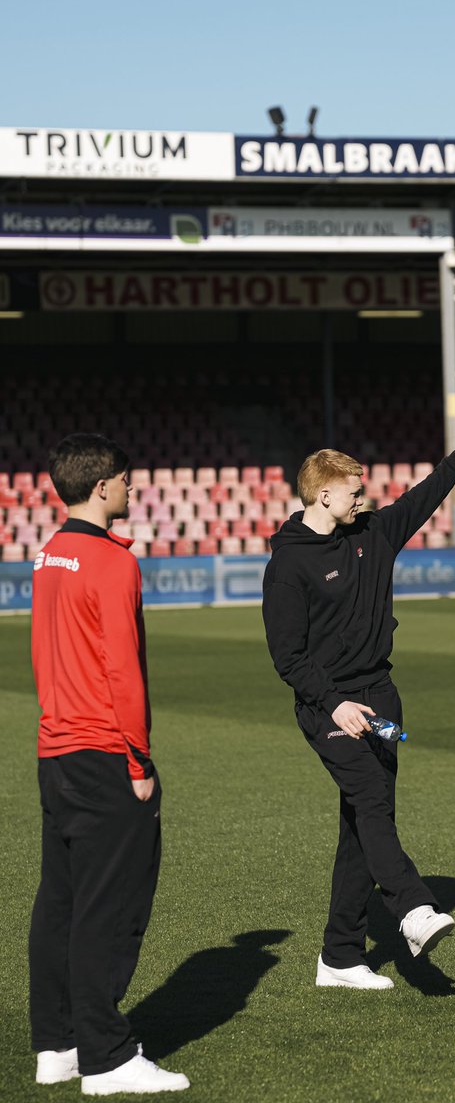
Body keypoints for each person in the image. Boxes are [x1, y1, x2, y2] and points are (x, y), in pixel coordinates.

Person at [262, 402, 455, 989]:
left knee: (363, 820)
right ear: (322, 496)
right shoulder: (288, 564)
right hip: (329, 706)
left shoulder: (374, 532)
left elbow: (421, 498)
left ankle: (339, 956)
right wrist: (333, 702)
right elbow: (287, 656)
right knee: (369, 798)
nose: (363, 497)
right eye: (353, 490)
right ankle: (411, 907)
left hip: (383, 700)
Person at [29, 434, 189, 1095]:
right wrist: (139, 756)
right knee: (109, 906)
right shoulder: (112, 562)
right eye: (125, 480)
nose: (132, 488)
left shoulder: (48, 555)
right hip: (104, 752)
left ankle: (58, 1045)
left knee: (61, 901)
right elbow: (124, 670)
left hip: (56, 750)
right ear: (102, 487)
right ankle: (107, 1058)